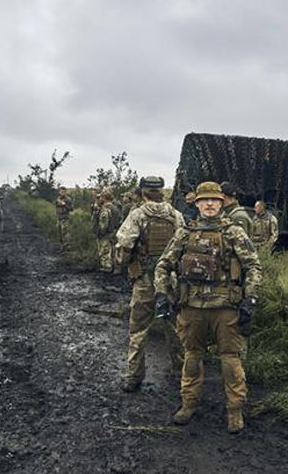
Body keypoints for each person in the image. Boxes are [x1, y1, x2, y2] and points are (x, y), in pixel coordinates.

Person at [154, 181, 262, 434]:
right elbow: (162, 265)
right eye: (205, 200)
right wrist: (161, 294)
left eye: (215, 200)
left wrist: (251, 298)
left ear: (222, 202)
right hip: (192, 307)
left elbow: (254, 267)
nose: (210, 204)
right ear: (197, 203)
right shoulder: (184, 233)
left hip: (225, 307)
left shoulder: (234, 232)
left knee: (230, 360)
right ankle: (188, 403)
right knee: (192, 357)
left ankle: (235, 411)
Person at [115, 176, 185, 392]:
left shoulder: (137, 215)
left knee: (138, 329)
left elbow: (125, 244)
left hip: (145, 279)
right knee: (175, 327)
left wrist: (124, 265)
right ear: (162, 191)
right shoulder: (176, 215)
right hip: (170, 279)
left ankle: (135, 376)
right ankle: (182, 372)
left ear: (143, 192)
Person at [97, 187, 120, 273]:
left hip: (106, 233)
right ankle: (115, 267)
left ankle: (107, 267)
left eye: (101, 197)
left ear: (104, 198)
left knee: (105, 251)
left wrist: (100, 232)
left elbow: (103, 224)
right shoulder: (115, 208)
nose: (100, 199)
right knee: (113, 250)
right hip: (114, 231)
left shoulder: (105, 209)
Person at [55, 186, 73, 251]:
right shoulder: (58, 199)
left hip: (65, 218)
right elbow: (56, 207)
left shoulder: (68, 199)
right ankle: (62, 247)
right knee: (59, 233)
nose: (63, 193)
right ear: (59, 192)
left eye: (64, 192)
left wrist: (64, 205)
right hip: (59, 218)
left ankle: (67, 247)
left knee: (65, 233)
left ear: (66, 192)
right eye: (61, 192)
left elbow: (71, 209)